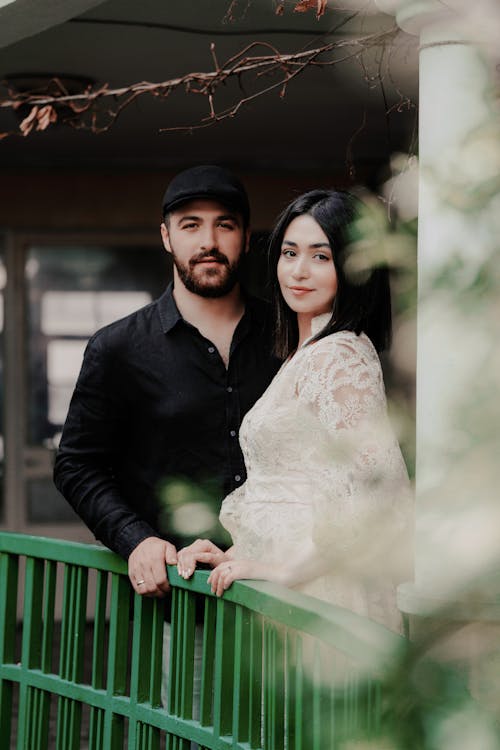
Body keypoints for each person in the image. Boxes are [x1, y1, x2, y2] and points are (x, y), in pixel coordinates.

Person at [177, 189, 413, 632]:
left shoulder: (340, 355)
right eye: (289, 253)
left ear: (353, 267)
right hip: (292, 588)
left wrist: (286, 572)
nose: (299, 271)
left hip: (319, 592)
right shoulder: (306, 352)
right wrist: (233, 553)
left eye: (321, 257)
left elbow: (374, 490)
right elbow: (298, 491)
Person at [53, 164, 280, 596]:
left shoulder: (290, 338)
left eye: (224, 225)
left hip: (279, 596)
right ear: (166, 236)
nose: (208, 242)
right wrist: (134, 537)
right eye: (190, 225)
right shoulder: (117, 348)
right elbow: (76, 465)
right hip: (176, 601)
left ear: (247, 237)